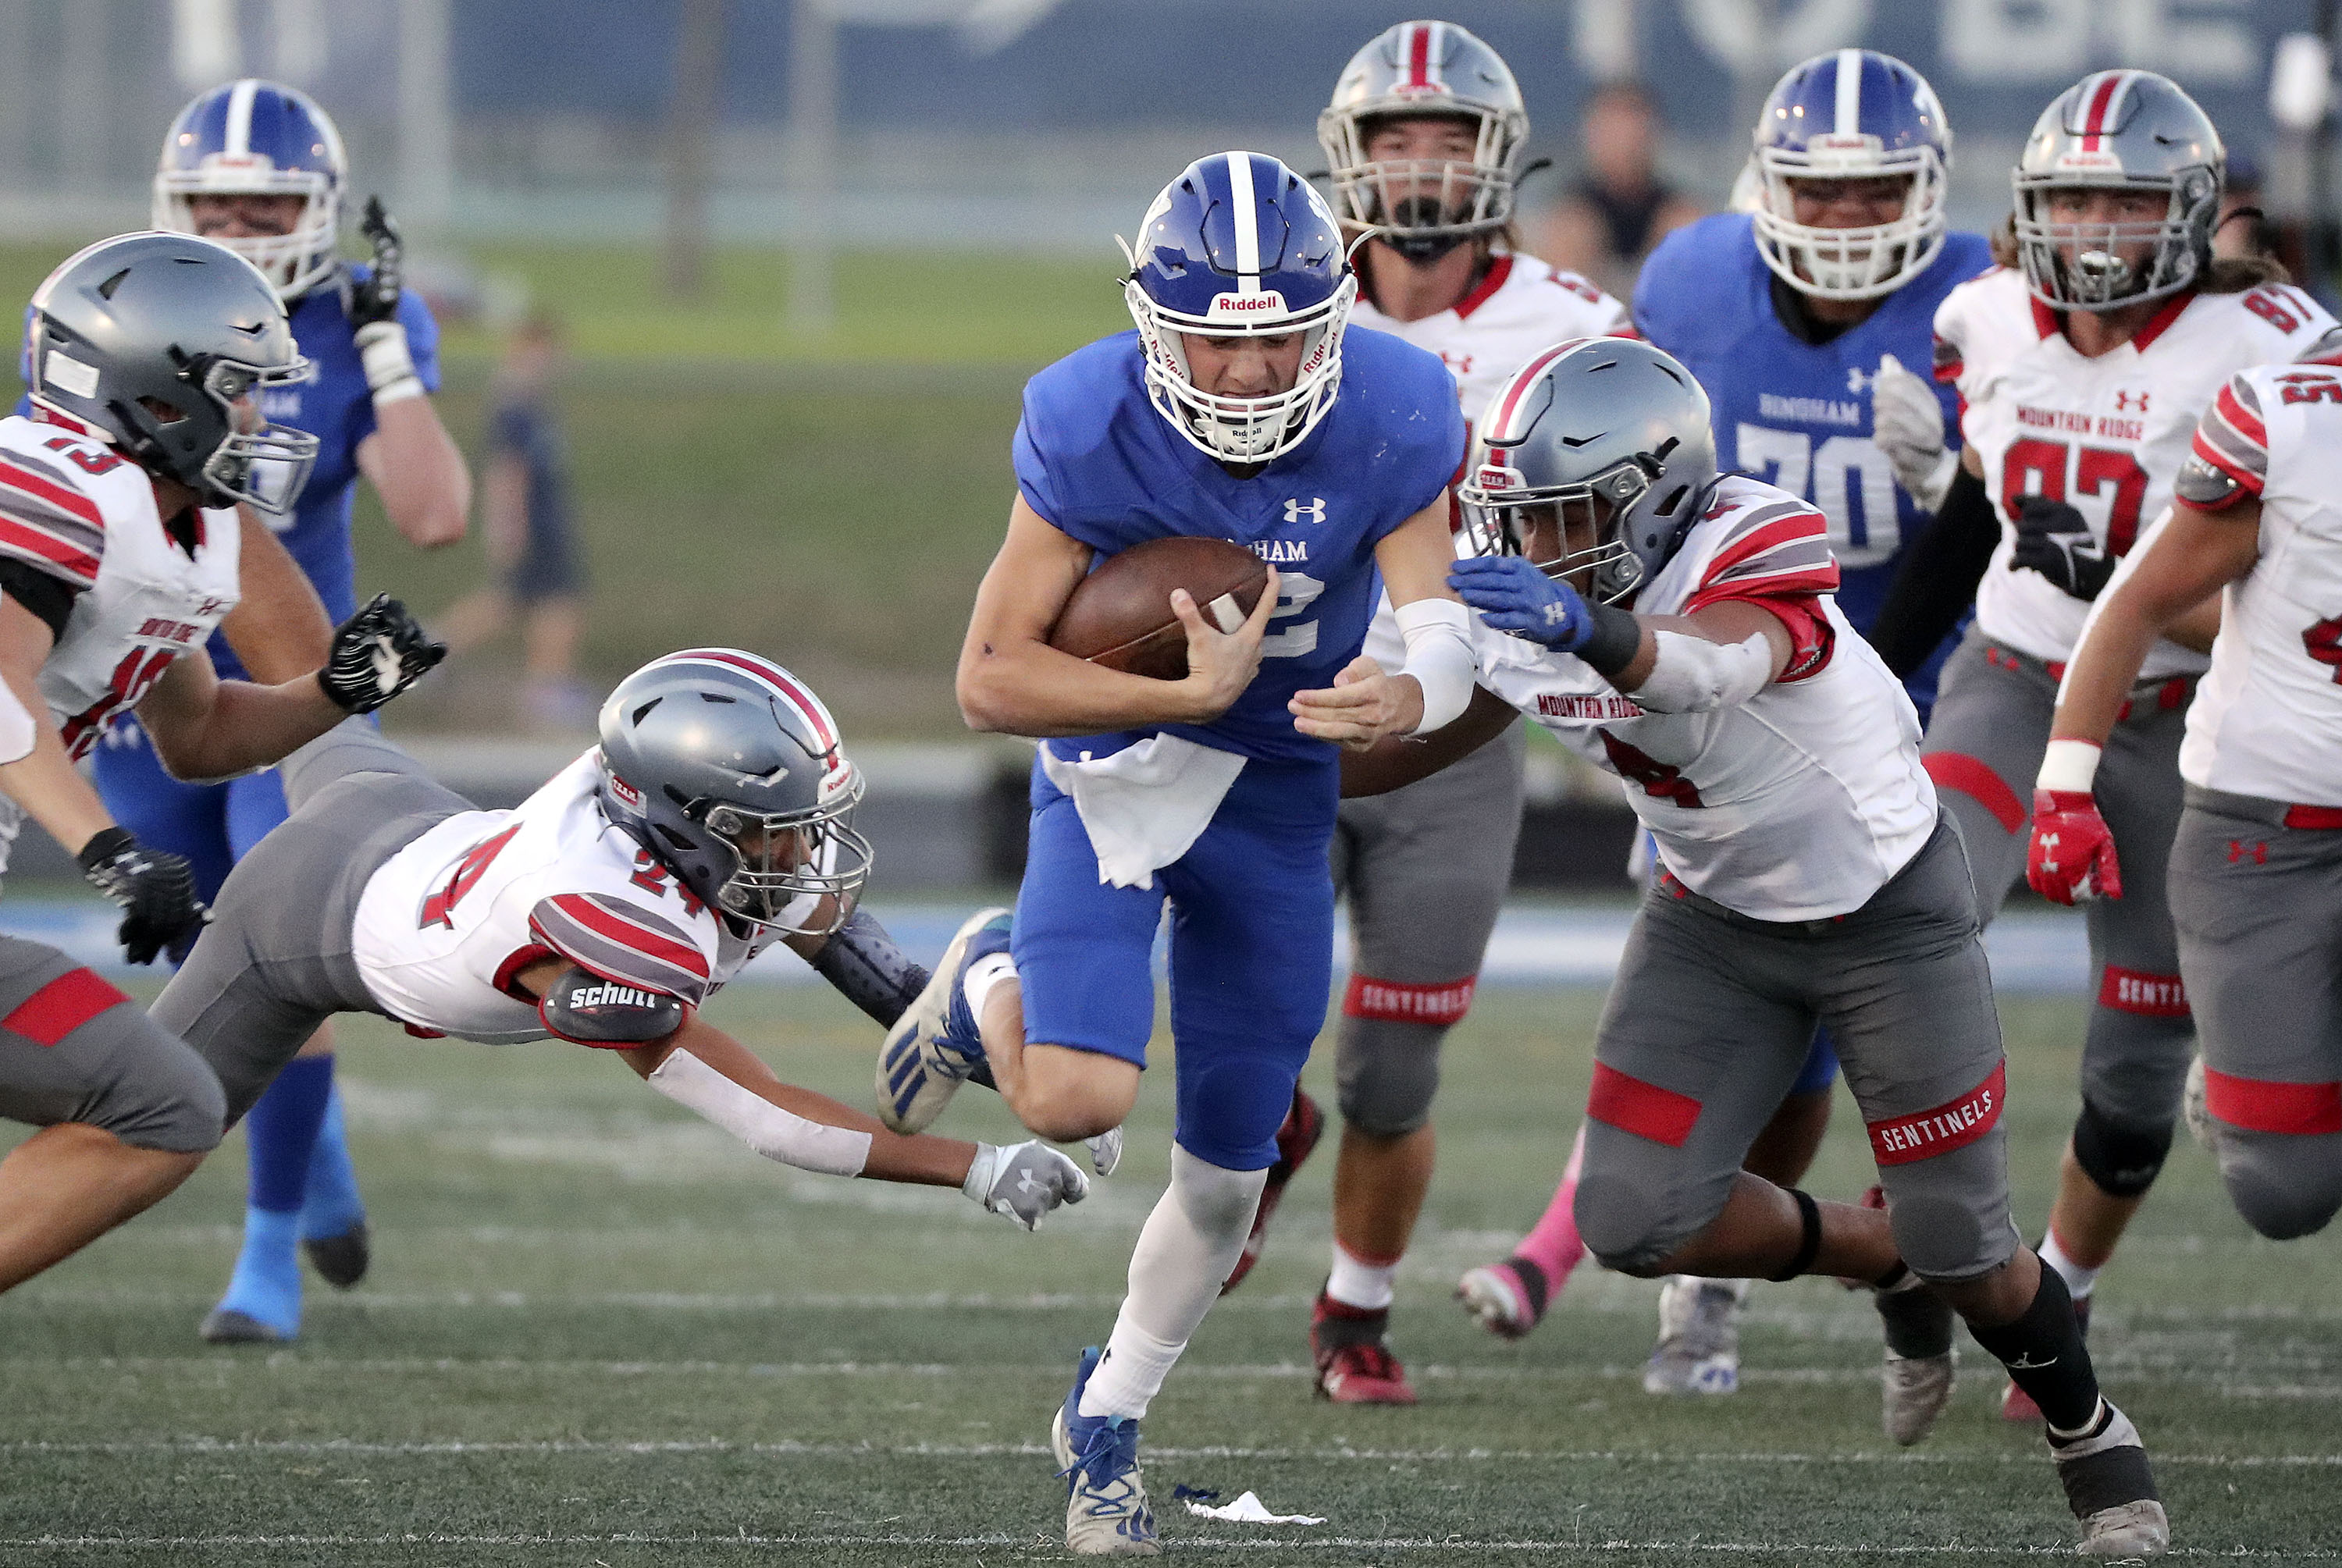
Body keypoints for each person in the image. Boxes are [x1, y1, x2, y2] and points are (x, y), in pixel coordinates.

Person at [1365, 336, 2168, 1556]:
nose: (1531, 545)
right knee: (1631, 1215)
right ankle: (1879, 1253)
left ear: (1657, 499)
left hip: (1887, 913)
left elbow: (1706, 667)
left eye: (1565, 515)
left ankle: (2091, 1432)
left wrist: (1588, 625)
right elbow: (1427, 725)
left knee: (1968, 1239)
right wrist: (1266, 740)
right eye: (1519, 517)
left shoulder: (1751, 535)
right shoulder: (1529, 600)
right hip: (1713, 921)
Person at [875, 151, 1474, 1554]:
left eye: (1283, 336)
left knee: (1226, 1171)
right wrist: (1180, 694)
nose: (1254, 370)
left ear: (1332, 317)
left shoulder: (1394, 405)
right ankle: (985, 981)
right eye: (1219, 338)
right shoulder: (1088, 417)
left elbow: (1439, 622)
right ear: (1158, 325)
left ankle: (1109, 1419)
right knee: (1075, 1101)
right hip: (1112, 775)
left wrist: (1415, 692)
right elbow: (989, 679)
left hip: (1276, 796)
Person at [1458, 48, 1991, 1398]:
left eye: (1877, 194)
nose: (1849, 219)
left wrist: (1966, 491)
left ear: (1927, 192)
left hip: (1909, 680)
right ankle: (1724, 1270)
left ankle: (1971, 1261)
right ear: (1769, 184)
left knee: (1885, 988)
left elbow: (2041, 514)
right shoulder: (1697, 278)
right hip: (1698, 679)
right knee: (1763, 1013)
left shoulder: (1981, 300)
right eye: (1823, 190)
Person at [1864, 69, 2342, 1423]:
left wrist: (2137, 601)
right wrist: (1882, 664)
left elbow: (2280, 569)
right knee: (1916, 905)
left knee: (2137, 1062)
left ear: (2187, 213)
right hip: (2018, 675)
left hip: (2187, 715)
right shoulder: (1984, 316)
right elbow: (1982, 507)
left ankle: (2058, 1286)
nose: (2093, 230)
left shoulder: (2269, 343)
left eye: (2124, 203)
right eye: (2071, 200)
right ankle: (1914, 1211)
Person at [1203, 17, 1632, 1408]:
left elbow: (1643, 510)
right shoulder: (1272, 302)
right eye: (1400, 140)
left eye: (1454, 142)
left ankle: (1354, 1309)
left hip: (1458, 736)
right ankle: (1271, 1128)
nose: (1427, 168)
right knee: (1240, 1035)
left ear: (1501, 160)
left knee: (1393, 1070)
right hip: (1280, 721)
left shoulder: (1578, 327)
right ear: (1351, 156)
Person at [141, 650, 1089, 1254]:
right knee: (129, 1131)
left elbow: (873, 970)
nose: (804, 852)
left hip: (404, 810)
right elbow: (769, 1114)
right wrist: (976, 1167)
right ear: (687, 824)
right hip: (302, 913)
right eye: (777, 829)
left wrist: (1034, 1075)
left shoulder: (692, 832)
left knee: (300, 665)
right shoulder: (607, 911)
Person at [0, 231, 444, 1296]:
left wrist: (334, 689)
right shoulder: (54, 480)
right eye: (237, 389)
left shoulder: (170, 531)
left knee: (166, 1101)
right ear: (152, 396)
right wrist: (107, 848)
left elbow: (198, 733)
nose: (256, 416)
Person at [101, 80, 471, 1345]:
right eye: (216, 202)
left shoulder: (363, 317)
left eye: (267, 202)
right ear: (174, 204)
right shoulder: (128, 302)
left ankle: (265, 1256)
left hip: (297, 683)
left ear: (319, 206)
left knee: (280, 944)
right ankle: (316, 1161)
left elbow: (434, 516)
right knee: (198, 951)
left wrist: (385, 352)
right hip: (144, 674)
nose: (241, 224)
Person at [2031, 358, 2342, 1243]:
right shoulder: (2292, 419)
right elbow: (2143, 602)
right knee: (2285, 1192)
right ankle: (2275, 1058)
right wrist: (2065, 790)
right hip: (2266, 831)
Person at [434, 311, 594, 731]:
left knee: (525, 600)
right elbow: (507, 472)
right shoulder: (513, 407)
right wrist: (508, 528)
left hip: (547, 520)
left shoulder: (535, 404)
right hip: (532, 523)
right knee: (552, 599)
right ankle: (546, 688)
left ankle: (433, 650)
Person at [1530, 80, 1701, 303]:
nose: (1624, 143)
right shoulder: (1572, 214)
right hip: (1588, 311)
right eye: (1613, 131)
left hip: (1656, 311)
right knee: (1573, 229)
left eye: (1632, 130)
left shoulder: (1676, 213)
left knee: (1685, 230)